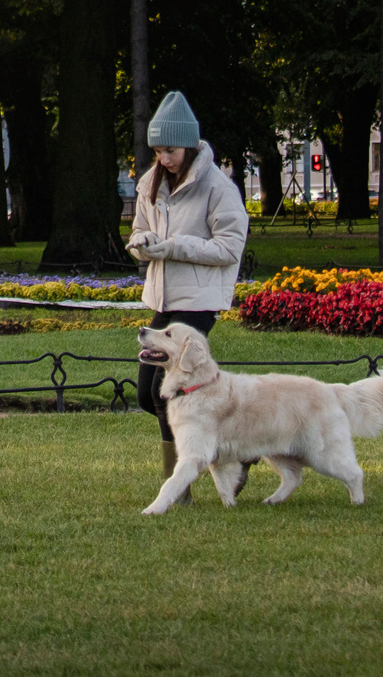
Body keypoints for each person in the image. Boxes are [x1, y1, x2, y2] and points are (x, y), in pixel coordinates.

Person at [128, 90, 250, 482]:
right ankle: (235, 449)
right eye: (159, 150)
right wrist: (142, 244)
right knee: (147, 395)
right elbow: (141, 229)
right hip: (164, 296)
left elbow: (230, 247)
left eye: (172, 150)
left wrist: (174, 247)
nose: (165, 158)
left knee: (168, 396)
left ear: (190, 145)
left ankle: (177, 484)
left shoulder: (218, 186)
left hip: (198, 302)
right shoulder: (151, 182)